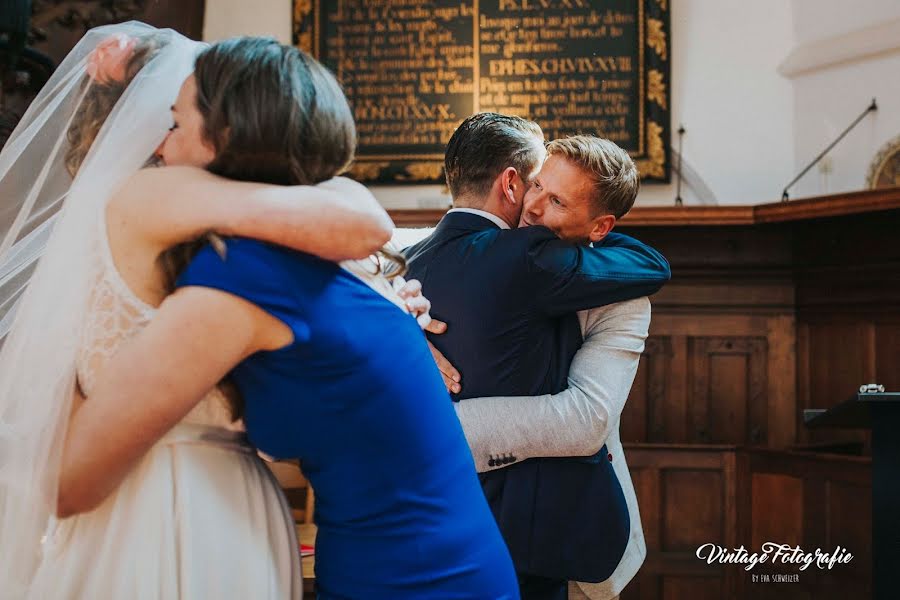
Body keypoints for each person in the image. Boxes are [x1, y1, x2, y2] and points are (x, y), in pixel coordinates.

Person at [53, 37, 519, 599]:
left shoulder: (245, 277)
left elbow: (73, 483)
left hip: (409, 581)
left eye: (175, 124)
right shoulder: (332, 263)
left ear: (225, 141)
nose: (159, 146)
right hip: (450, 563)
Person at [0, 23, 398, 598]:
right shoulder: (156, 204)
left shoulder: (166, 226)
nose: (171, 139)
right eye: (175, 118)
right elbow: (362, 221)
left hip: (168, 491)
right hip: (188, 499)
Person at [403, 113, 670, 600]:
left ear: (600, 225)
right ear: (513, 183)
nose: (533, 208)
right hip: (478, 531)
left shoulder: (620, 297)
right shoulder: (496, 258)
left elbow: (586, 418)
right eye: (536, 185)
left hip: (560, 529)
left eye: (557, 200)